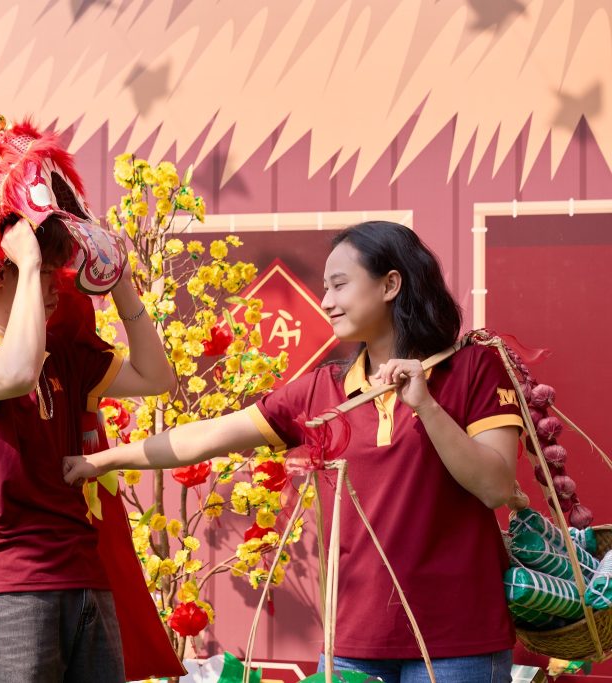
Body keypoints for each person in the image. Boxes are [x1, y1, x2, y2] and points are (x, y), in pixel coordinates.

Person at [63, 221, 526, 683]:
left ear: (390, 285)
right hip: (352, 646)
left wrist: (425, 406)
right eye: (324, 288)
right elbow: (202, 438)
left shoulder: (472, 368)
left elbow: (495, 487)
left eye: (340, 285)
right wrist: (101, 461)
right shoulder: (323, 390)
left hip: (459, 643)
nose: (326, 301)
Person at [0, 111, 176, 682]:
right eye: (44, 270)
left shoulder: (64, 354)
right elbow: (14, 373)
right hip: (9, 584)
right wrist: (29, 260)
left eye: (58, 268)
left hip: (85, 577)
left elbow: (156, 378)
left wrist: (120, 282)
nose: (58, 281)